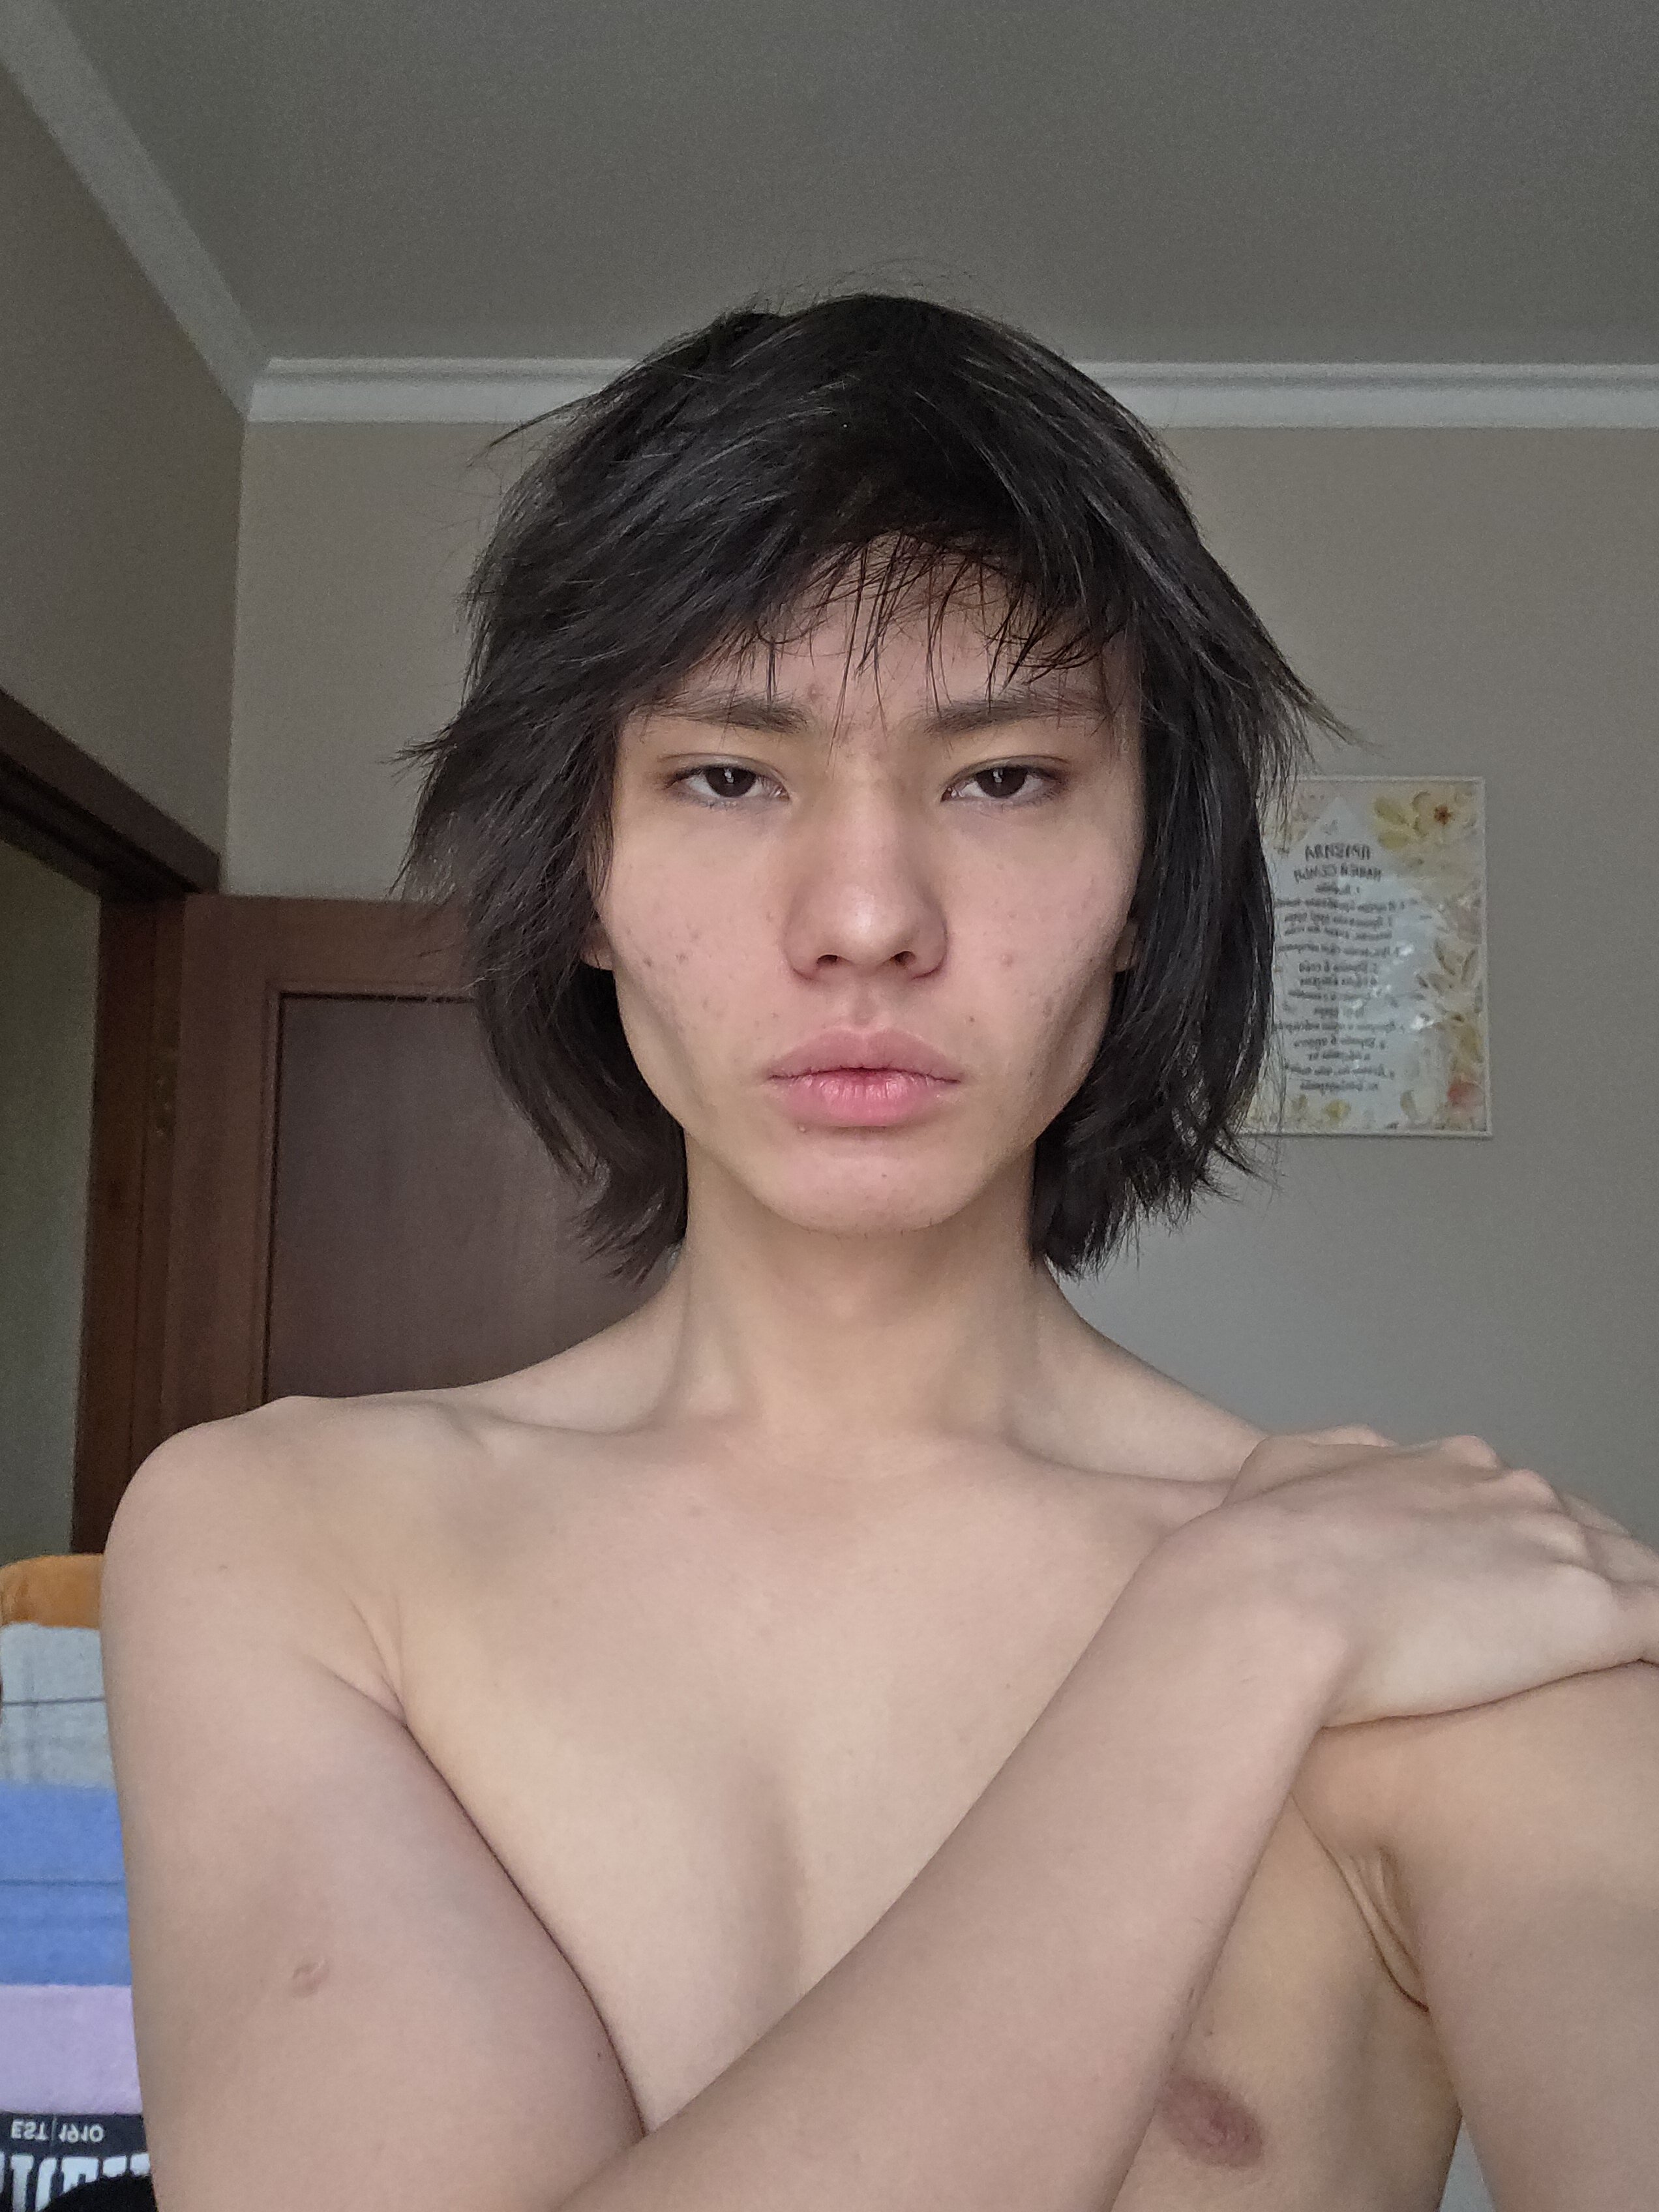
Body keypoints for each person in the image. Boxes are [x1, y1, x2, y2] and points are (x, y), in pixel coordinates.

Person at [99, 294, 1659, 2212]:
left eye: (1004, 778)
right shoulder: (289, 1540)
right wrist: (1229, 1635)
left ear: (1147, 884)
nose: (864, 917)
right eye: (726, 776)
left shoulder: (1458, 1624)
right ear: (582, 876)